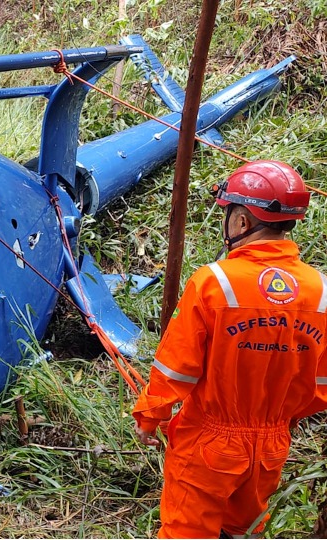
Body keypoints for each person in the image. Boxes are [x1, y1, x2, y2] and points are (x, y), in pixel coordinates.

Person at [132, 160, 327, 538]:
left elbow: (177, 366)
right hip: (272, 446)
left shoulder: (214, 282)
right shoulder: (321, 291)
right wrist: (279, 418)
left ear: (241, 221)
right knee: (243, 528)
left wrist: (149, 416)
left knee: (187, 530)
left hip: (208, 442)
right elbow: (321, 384)